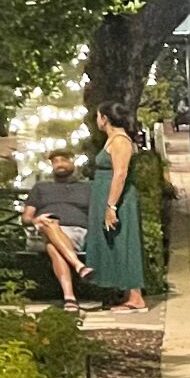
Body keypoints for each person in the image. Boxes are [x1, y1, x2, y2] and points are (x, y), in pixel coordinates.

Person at [82, 103, 148, 310]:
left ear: (105, 118)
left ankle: (135, 296)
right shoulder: (112, 139)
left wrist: (111, 206)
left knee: (124, 242)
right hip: (104, 194)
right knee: (114, 243)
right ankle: (125, 292)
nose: (96, 120)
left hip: (117, 198)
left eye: (98, 116)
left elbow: (120, 173)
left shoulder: (120, 141)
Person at [21, 150, 94, 311]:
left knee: (53, 246)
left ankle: (69, 298)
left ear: (72, 162)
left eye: (64, 160)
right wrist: (36, 220)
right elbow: (26, 218)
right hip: (41, 232)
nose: (59, 164)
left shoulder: (87, 187)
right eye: (55, 161)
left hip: (76, 232)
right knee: (50, 224)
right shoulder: (40, 187)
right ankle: (78, 266)